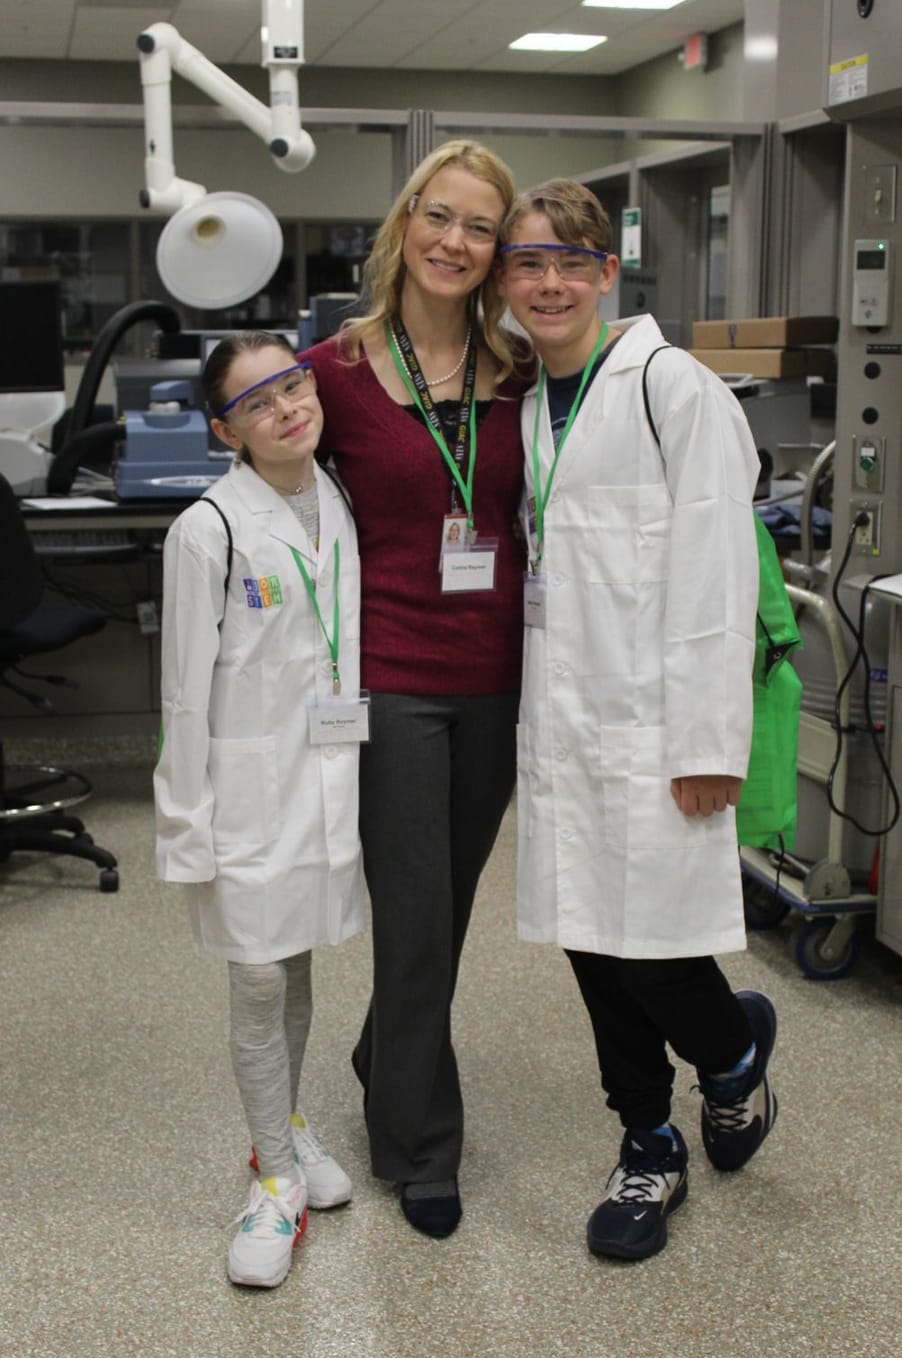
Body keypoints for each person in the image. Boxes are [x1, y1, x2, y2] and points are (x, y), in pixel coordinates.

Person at [497, 179, 778, 1262]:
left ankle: (732, 1054)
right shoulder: (529, 403)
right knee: (588, 942)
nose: (551, 282)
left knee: (654, 947)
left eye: (572, 262)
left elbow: (714, 577)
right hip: (563, 725)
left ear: (608, 272)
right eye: (528, 263)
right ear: (507, 280)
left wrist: (708, 742)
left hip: (660, 731)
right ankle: (646, 1141)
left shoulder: (671, 387)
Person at [300, 139, 529, 1238]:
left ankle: (379, 1050)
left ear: (496, 250)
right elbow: (269, 501)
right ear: (405, 222)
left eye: (479, 227)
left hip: (495, 676)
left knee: (443, 905)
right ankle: (419, 1146)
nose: (454, 241)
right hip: (387, 676)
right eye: (439, 216)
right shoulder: (332, 371)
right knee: (415, 916)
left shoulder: (521, 371)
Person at [154, 332, 365, 1287]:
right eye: (258, 401)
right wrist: (185, 826)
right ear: (224, 429)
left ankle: (285, 1123)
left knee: (298, 955)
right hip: (243, 792)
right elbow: (183, 695)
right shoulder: (209, 527)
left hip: (323, 774)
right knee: (256, 978)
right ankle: (273, 1181)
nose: (287, 408)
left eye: (293, 383)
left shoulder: (340, 501)